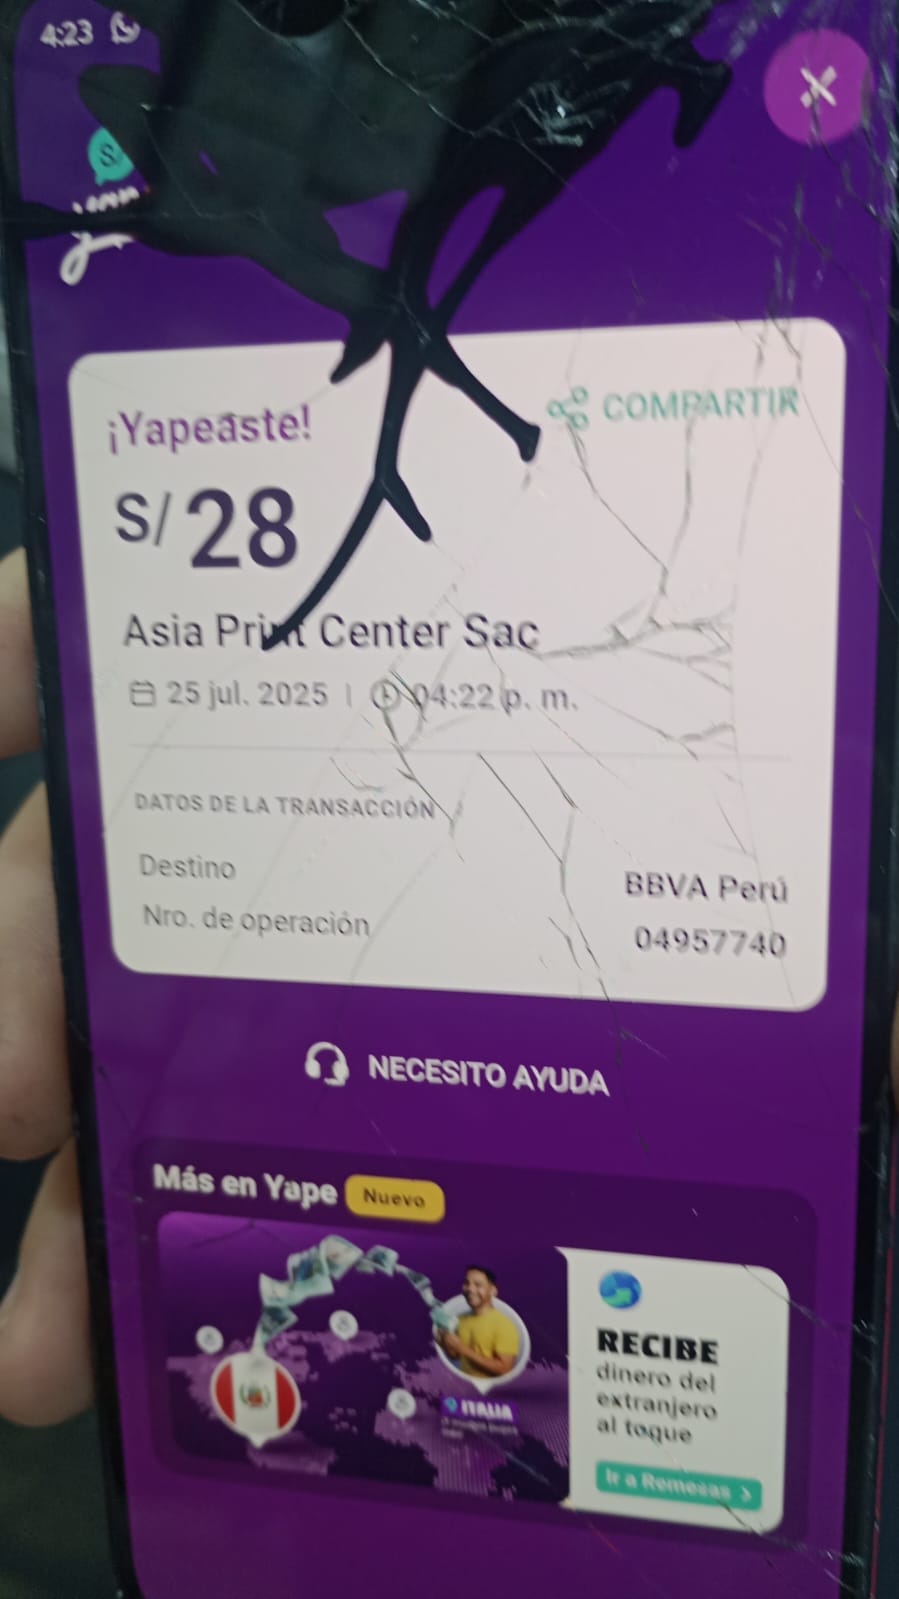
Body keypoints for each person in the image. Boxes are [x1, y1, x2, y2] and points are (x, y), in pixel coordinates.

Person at [437, 1265, 520, 1379]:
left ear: (493, 1291)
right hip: (464, 1386)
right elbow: (456, 1356)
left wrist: (462, 1348)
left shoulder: (504, 1325)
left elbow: (505, 1370)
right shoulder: (459, 1320)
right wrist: (443, 1342)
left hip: (492, 1390)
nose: (470, 1289)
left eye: (478, 1285)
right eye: (467, 1283)